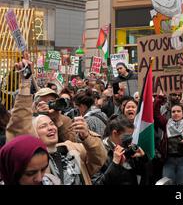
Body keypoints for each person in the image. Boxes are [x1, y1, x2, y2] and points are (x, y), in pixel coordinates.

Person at [6, 53, 107, 185]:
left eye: (52, 101)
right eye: (43, 126)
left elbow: (98, 158)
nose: (50, 127)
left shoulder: (71, 149)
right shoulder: (30, 160)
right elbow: (17, 130)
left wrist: (86, 135)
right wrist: (25, 85)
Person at [92, 115, 152, 185]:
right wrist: (114, 164)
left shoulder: (127, 147)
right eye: (127, 137)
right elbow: (97, 183)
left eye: (131, 136)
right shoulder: (98, 152)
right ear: (115, 133)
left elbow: (144, 175)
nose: (130, 140)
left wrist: (143, 158)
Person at [154, 102, 183, 185]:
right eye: (173, 112)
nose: (176, 113)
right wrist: (160, 99)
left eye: (178, 111)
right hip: (168, 161)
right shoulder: (166, 124)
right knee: (166, 183)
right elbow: (156, 115)